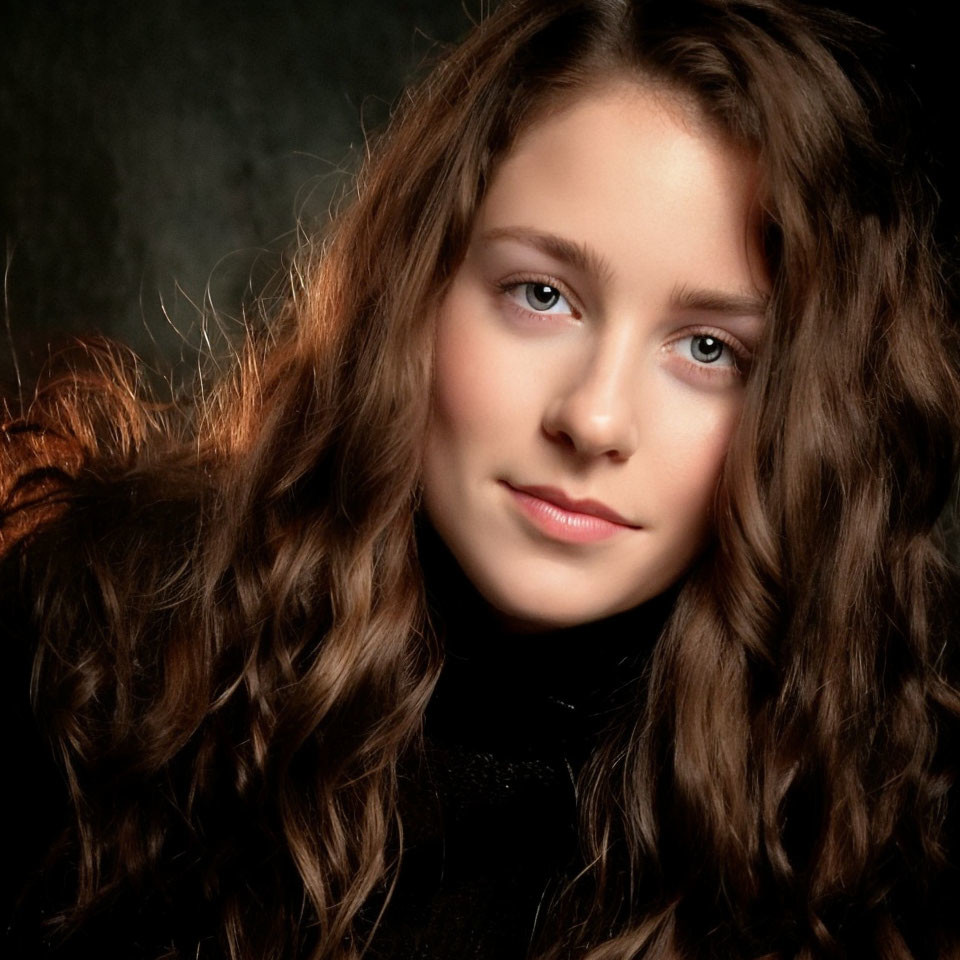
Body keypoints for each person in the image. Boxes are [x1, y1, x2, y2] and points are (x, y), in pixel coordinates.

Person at [2, 0, 958, 958]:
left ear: (810, 414)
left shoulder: (859, 834)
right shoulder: (102, 651)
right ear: (418, 282)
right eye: (541, 295)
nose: (592, 419)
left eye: (709, 348)